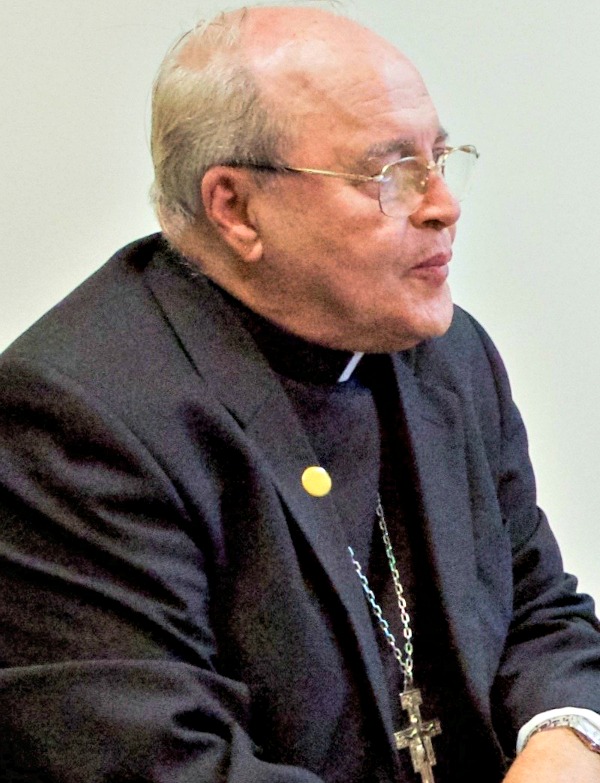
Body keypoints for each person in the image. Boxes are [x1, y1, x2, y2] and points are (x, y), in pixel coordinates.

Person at [0, 4, 599, 782]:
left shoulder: (447, 355)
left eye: (441, 158)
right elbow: (159, 764)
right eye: (389, 173)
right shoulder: (79, 420)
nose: (443, 204)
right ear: (236, 207)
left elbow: (541, 608)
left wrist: (566, 739)